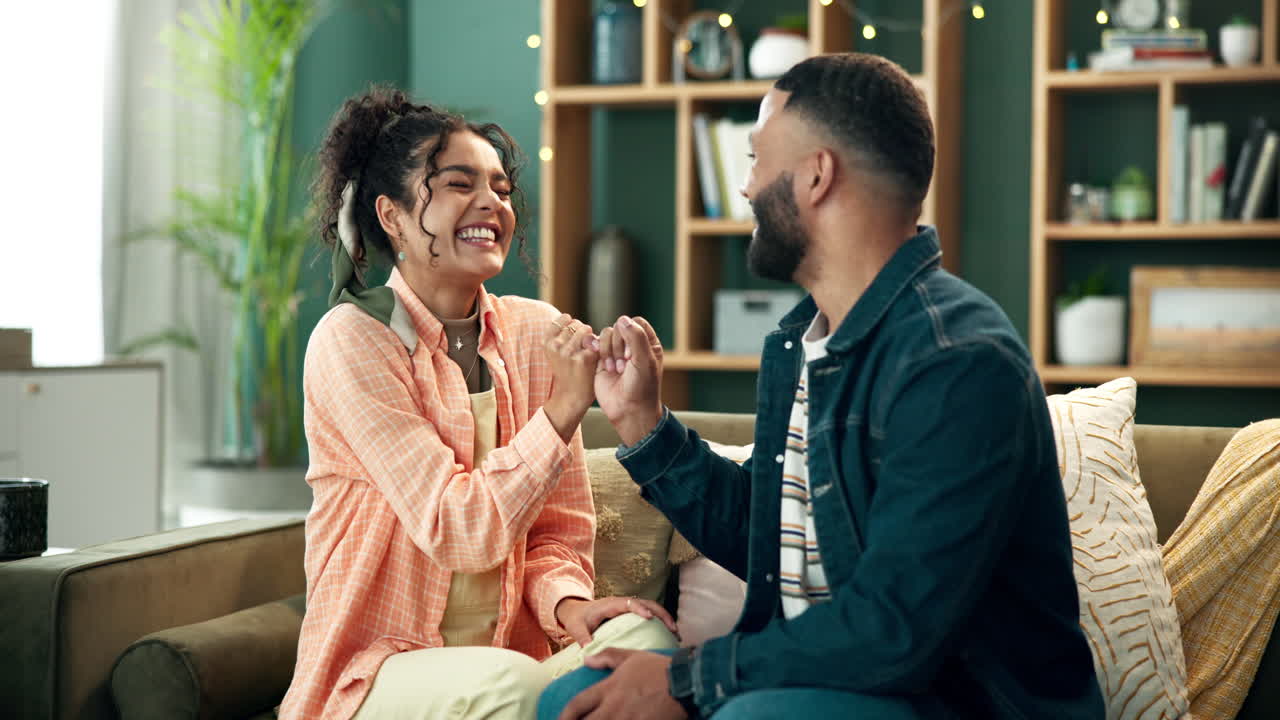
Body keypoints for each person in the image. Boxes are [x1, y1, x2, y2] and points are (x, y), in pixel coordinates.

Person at [540, 53, 1106, 719]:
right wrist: (642, 422)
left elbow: (893, 629)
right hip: (829, 679)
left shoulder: (957, 362)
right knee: (573, 698)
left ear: (815, 175)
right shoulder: (805, 341)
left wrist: (690, 680)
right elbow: (774, 533)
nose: (747, 188)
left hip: (951, 701)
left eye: (755, 159)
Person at [279, 86, 677, 720]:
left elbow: (556, 534)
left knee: (647, 647)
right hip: (379, 672)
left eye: (499, 187)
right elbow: (456, 529)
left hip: (514, 657)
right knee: (512, 688)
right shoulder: (352, 341)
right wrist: (562, 411)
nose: (491, 202)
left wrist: (572, 607)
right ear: (393, 216)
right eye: (460, 184)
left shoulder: (534, 333)